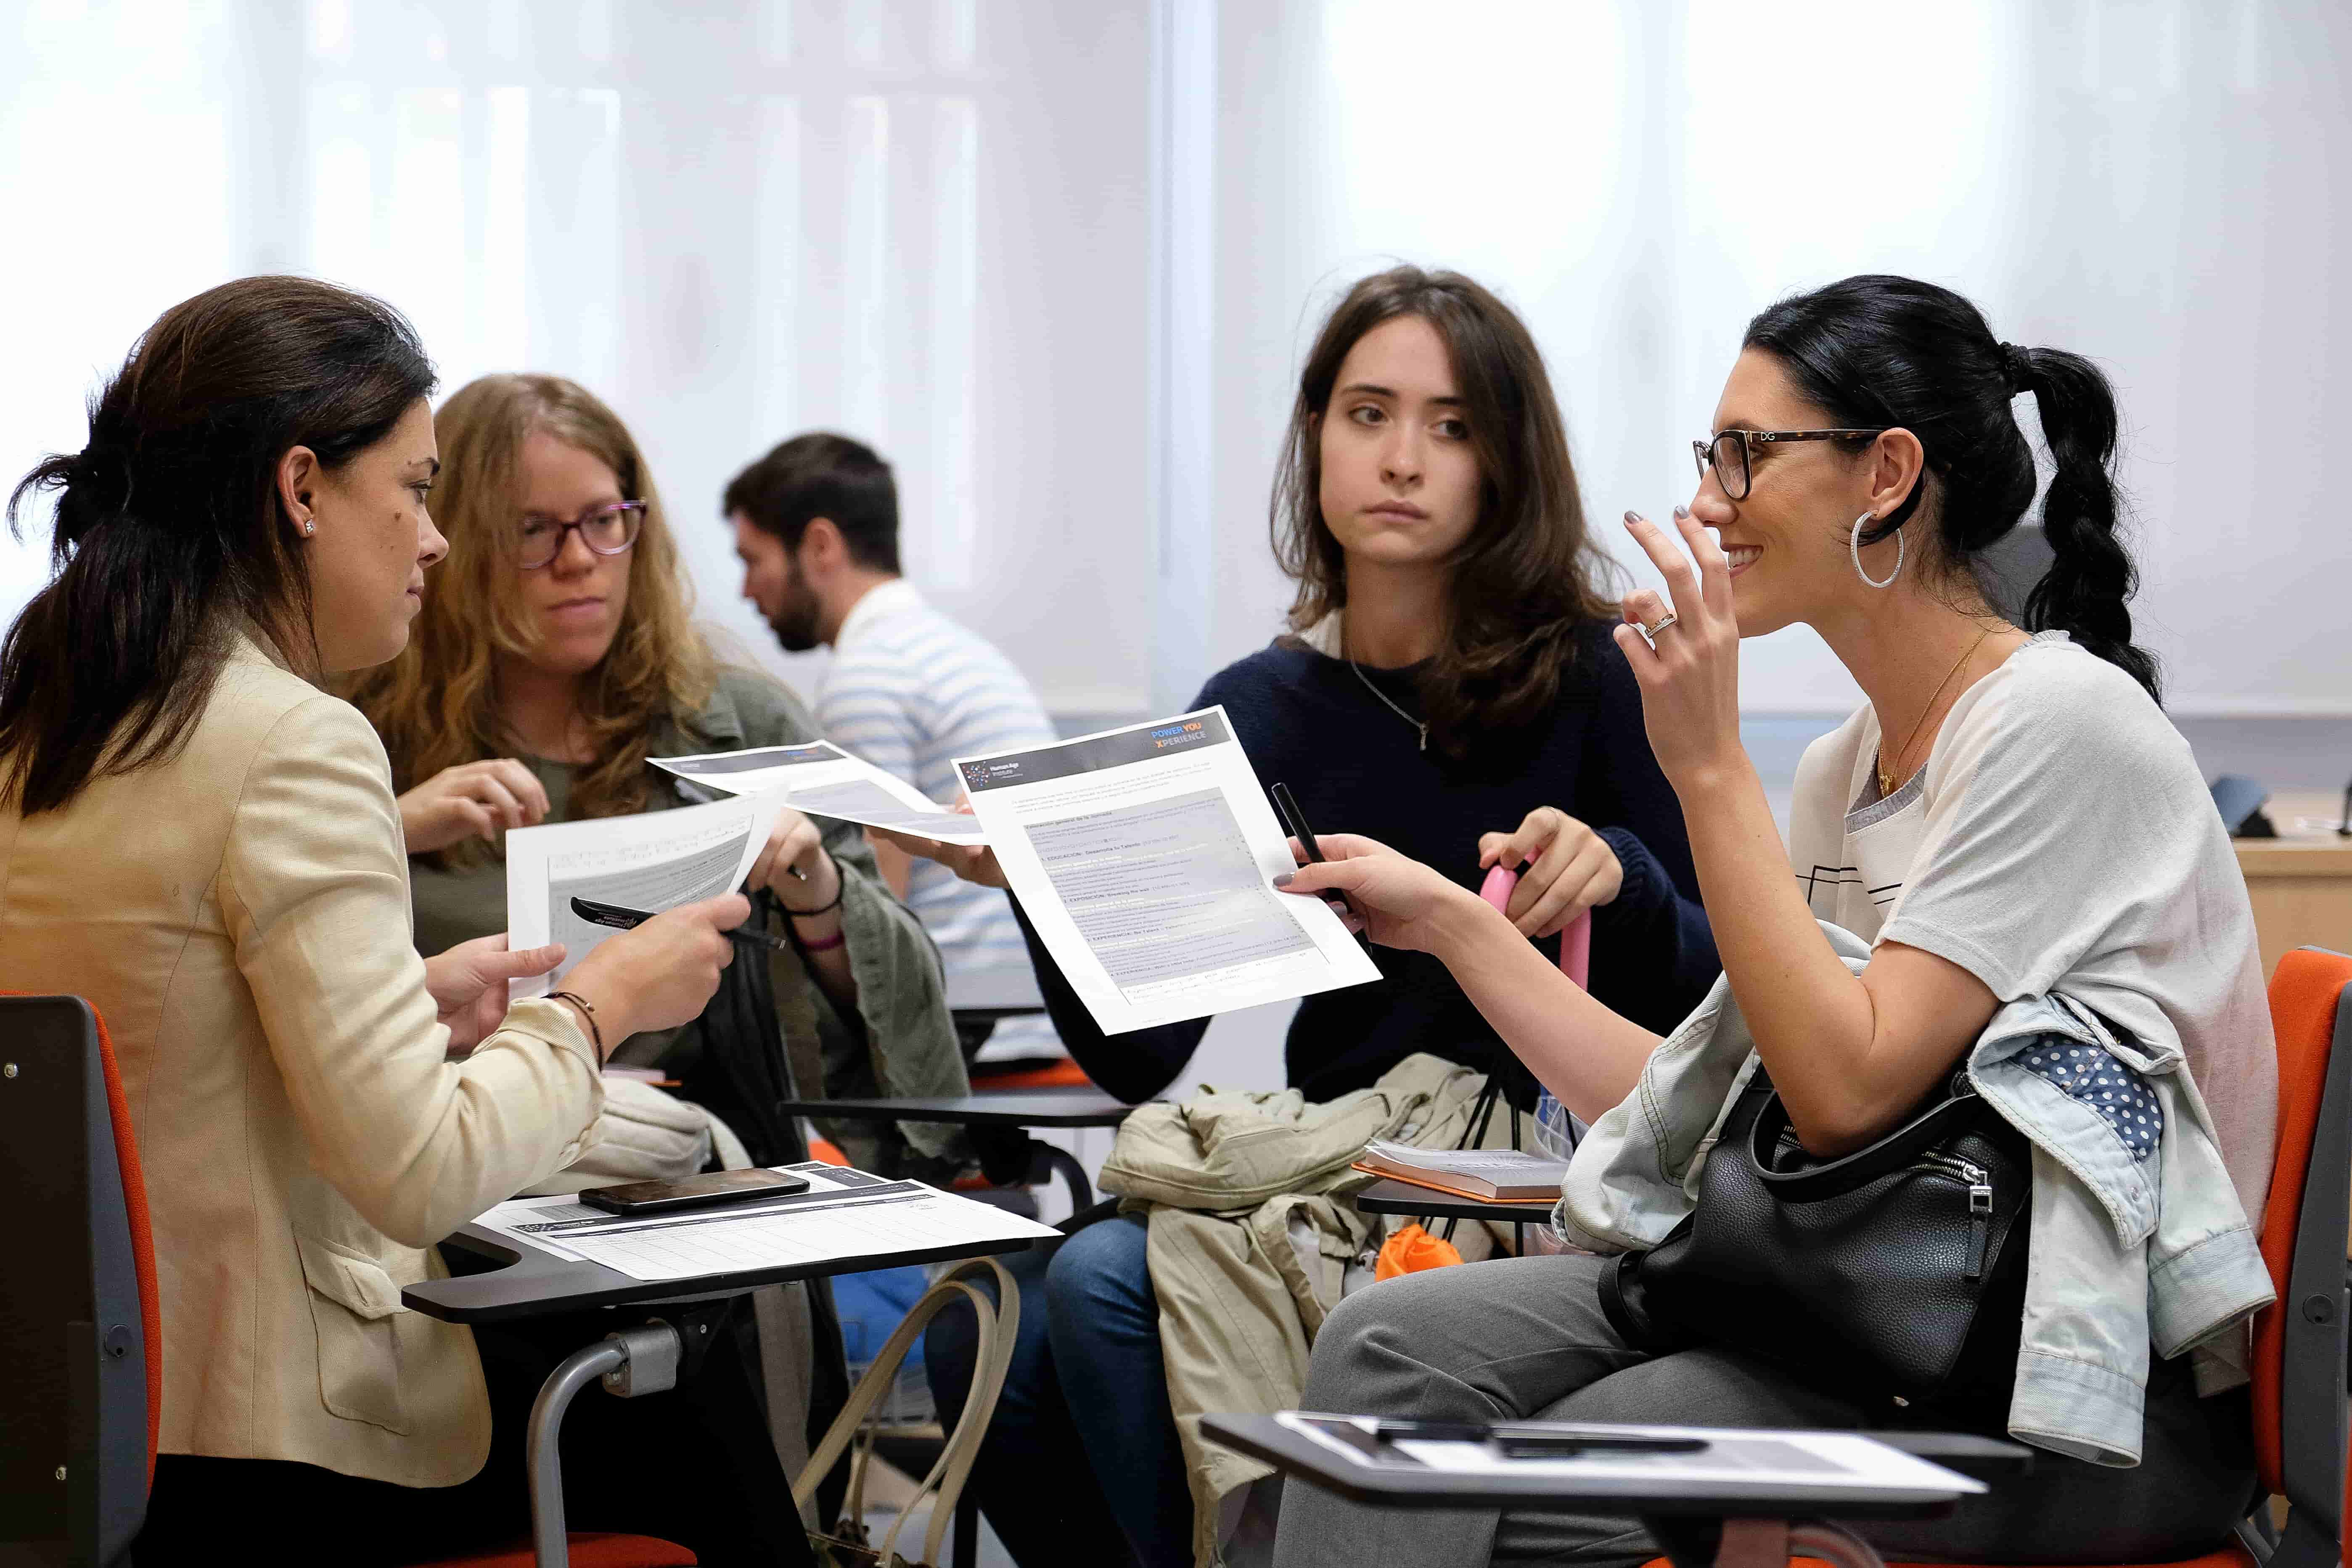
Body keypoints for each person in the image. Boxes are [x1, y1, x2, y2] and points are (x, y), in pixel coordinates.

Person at [1267, 275, 2278, 1565]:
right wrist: (1457, 931)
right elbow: (1720, 1104)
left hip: (2058, 1377)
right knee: (1387, 1342)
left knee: (1527, 1503)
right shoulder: (1843, 767)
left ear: (1887, 476)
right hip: (1861, 1299)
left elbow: (1844, 1098)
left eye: (1746, 456)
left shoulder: (2055, 725)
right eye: (1711, 455)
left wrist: (1705, 770)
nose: (1706, 501)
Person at [891, 266, 1719, 1568]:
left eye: (1450, 427)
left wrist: (1621, 874)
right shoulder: (1257, 707)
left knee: (1104, 1286)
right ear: (1314, 435)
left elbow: (1721, 1003)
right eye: (1366, 413)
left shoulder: (1601, 672)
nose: (1402, 459)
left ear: (1507, 463)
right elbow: (1139, 1063)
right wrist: (1048, 887)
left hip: (1536, 1183)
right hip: (1329, 1162)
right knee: (982, 1324)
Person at [0, 278, 757, 1562]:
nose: (435, 540)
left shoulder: (49, 724)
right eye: (412, 490)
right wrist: (603, 1000)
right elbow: (417, 1171)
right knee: (698, 1410)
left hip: (81, 1421)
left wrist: (407, 1002)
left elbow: (160, 1053)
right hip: (271, 1443)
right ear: (301, 489)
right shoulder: (296, 742)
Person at [347, 376, 966, 1185]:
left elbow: (895, 1004)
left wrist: (815, 887)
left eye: (604, 522)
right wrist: (389, 825)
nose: (578, 562)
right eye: (533, 530)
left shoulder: (735, 719)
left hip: (676, 1169)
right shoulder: (362, 728)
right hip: (437, 1155)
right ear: (450, 541)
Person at [724, 432, 1064, 1063]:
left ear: (819, 545)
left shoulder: (869, 674)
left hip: (972, 1036)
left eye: (753, 559)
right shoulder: (954, 652)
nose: (747, 590)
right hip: (1039, 1018)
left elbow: (875, 922)